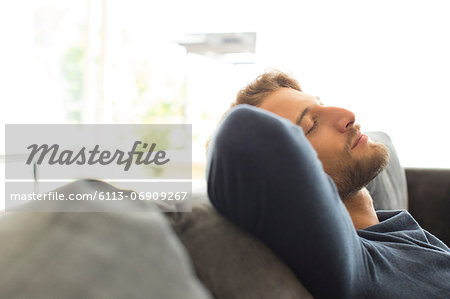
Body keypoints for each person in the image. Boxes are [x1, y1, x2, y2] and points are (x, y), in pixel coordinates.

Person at [206, 70, 450, 298]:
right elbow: (239, 132)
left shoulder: (394, 227)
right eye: (311, 125)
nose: (348, 115)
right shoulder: (356, 267)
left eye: (320, 104)